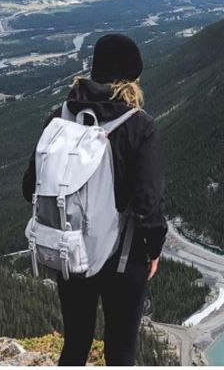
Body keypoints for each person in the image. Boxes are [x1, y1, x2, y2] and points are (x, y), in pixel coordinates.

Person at [22, 33, 166, 366]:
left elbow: (30, 187)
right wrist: (154, 250)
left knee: (75, 344)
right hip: (124, 256)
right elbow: (149, 203)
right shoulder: (139, 126)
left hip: (68, 248)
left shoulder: (60, 117)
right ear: (132, 77)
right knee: (121, 350)